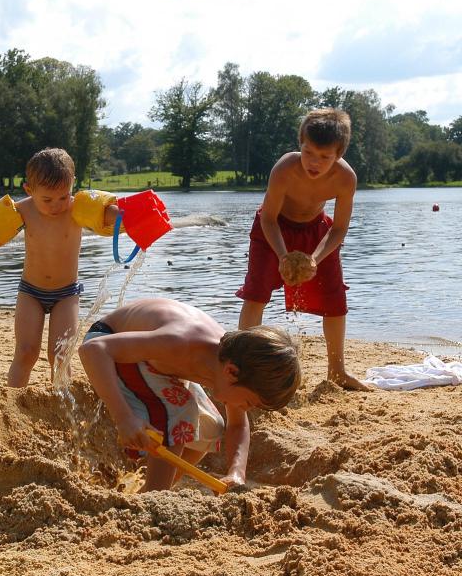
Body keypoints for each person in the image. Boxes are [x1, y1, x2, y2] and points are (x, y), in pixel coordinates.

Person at [78, 297, 301, 492]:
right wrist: (124, 418)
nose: (247, 408)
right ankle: (154, 495)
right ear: (232, 372)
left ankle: (151, 489)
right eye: (250, 402)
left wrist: (236, 473)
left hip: (154, 362)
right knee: (180, 411)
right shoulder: (180, 342)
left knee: (211, 427)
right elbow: (93, 350)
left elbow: (237, 426)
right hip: (111, 344)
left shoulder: (233, 363)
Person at [236, 108, 369, 391]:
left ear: (339, 154)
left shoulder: (346, 178)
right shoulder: (285, 168)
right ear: (300, 144)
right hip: (273, 228)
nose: (314, 162)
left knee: (335, 298)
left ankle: (337, 371)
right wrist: (283, 255)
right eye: (309, 152)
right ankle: (242, 364)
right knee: (256, 292)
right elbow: (268, 218)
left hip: (317, 230)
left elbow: (339, 228)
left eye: (325, 157)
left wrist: (315, 258)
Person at [0, 147, 119, 386]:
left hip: (66, 294)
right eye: (47, 199)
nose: (56, 205)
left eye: (64, 196)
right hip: (31, 292)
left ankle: (60, 405)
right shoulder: (23, 210)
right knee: (26, 351)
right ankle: (13, 402)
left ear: (73, 185)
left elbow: (107, 213)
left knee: (60, 355)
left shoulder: (77, 208)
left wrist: (126, 214)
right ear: (29, 190)